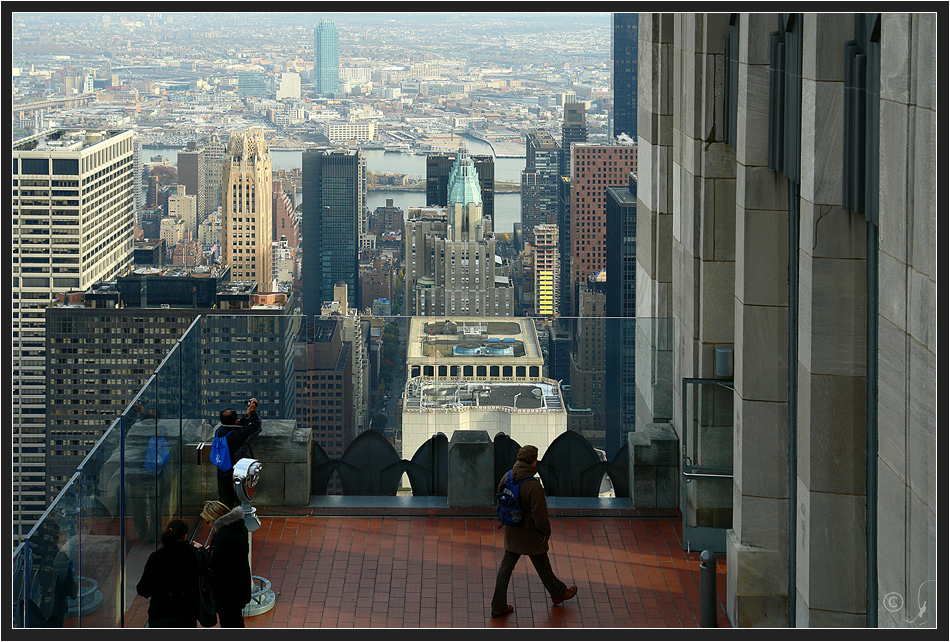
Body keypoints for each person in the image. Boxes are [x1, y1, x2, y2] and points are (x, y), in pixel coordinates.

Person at [490, 444, 577, 618]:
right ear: (534, 461)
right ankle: (558, 593)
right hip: (530, 533)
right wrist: (546, 532)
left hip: (512, 530)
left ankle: (498, 605)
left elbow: (500, 498)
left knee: (505, 569)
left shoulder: (507, 477)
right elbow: (540, 516)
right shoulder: (534, 486)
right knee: (542, 564)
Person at [135, 519, 200, 627]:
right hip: (186, 612)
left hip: (161, 612)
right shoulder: (194, 554)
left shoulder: (156, 557)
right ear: (185, 536)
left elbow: (143, 588)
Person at [197, 500, 252, 628]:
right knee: (236, 619)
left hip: (227, 589)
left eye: (209, 521)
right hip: (240, 584)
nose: (209, 525)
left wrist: (201, 549)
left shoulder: (222, 535)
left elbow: (212, 562)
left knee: (228, 622)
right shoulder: (240, 528)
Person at [214, 398, 262, 508]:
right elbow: (256, 426)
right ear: (235, 420)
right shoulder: (237, 435)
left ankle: (224, 523)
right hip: (237, 475)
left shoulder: (220, 431)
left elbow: (236, 426)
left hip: (222, 474)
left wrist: (247, 415)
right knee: (241, 505)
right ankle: (239, 523)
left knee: (225, 504)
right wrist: (253, 411)